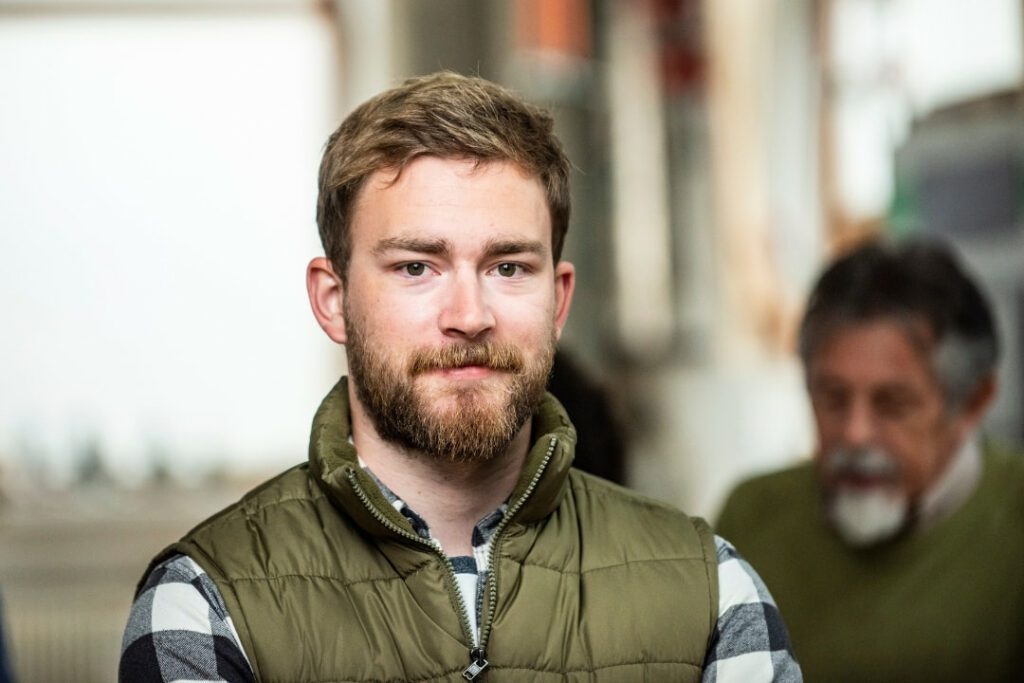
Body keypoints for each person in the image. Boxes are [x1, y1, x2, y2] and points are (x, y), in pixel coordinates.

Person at [120, 71, 800, 682]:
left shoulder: (712, 592)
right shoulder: (207, 607)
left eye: (508, 267)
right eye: (417, 266)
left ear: (558, 301)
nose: (469, 315)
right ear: (334, 301)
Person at [717, 238, 1024, 682]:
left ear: (973, 404)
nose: (855, 433)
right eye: (833, 398)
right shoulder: (751, 518)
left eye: (893, 404)